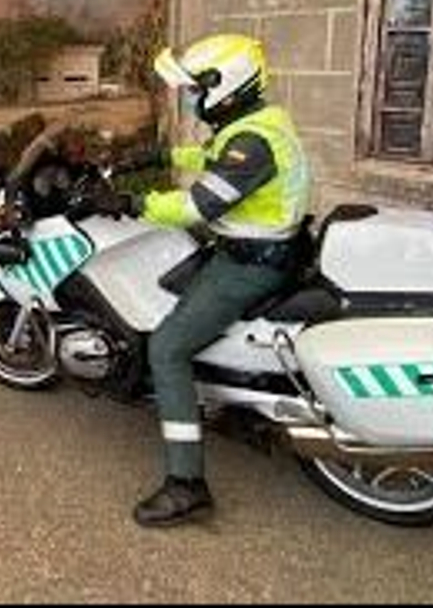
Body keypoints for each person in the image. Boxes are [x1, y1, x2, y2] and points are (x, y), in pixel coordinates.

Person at [77, 34, 311, 527]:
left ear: (221, 88)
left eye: (193, 90)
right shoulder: (256, 125)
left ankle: (187, 484)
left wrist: (132, 204)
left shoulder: (252, 142)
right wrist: (158, 158)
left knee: (166, 347)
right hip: (256, 248)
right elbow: (217, 161)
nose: (190, 98)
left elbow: (198, 206)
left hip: (251, 263)